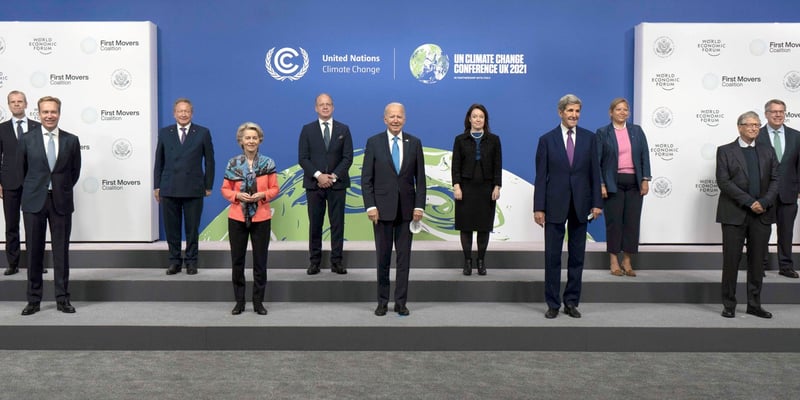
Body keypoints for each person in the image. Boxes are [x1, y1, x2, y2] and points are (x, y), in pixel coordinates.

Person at [534, 94, 602, 319]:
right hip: (554, 204)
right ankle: (552, 303)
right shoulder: (546, 140)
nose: (574, 115)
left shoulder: (590, 139)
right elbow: (541, 176)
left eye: (577, 112)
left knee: (577, 257)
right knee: (552, 256)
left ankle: (571, 302)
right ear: (560, 112)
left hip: (581, 205)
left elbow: (595, 174)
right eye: (570, 111)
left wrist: (596, 203)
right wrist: (538, 207)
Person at [17, 96, 81, 315]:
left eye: (53, 111)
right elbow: (22, 172)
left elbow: (74, 173)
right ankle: (33, 300)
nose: (49, 115)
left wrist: (58, 188)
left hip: (61, 202)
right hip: (34, 201)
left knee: (61, 252)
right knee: (34, 252)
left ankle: (63, 299)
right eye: (45, 112)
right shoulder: (26, 139)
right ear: (39, 114)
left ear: (59, 113)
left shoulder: (71, 140)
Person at [361, 102, 426, 316]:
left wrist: (419, 207)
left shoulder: (415, 143)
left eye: (399, 116)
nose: (395, 120)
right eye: (392, 116)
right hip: (381, 212)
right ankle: (382, 302)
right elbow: (366, 179)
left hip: (408, 212)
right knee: (383, 259)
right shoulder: (374, 143)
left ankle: (400, 302)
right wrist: (370, 205)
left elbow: (421, 180)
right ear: (385, 119)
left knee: (404, 260)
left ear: (404, 119)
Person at [716, 111, 777, 319]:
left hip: (762, 215)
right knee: (731, 261)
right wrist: (751, 202)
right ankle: (729, 304)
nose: (754, 128)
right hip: (734, 214)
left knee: (757, 262)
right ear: (739, 127)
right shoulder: (724, 151)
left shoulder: (768, 151)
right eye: (749, 125)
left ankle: (754, 304)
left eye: (757, 125)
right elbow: (724, 182)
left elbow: (776, 180)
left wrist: (765, 202)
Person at [220, 122, 279, 315]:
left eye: (254, 137)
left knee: (260, 261)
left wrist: (262, 195)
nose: (251, 141)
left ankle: (258, 302)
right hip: (237, 216)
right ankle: (239, 302)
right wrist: (237, 196)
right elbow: (225, 189)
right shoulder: (233, 163)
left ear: (259, 140)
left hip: (261, 217)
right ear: (241, 141)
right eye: (247, 138)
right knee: (237, 261)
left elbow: (274, 189)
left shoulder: (268, 163)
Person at [154, 98, 215, 276]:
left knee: (192, 228)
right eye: (180, 111)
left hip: (194, 187)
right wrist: (157, 186)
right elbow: (159, 161)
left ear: (191, 113)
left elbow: (210, 161)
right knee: (172, 228)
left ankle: (191, 262)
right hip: (169, 187)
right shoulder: (165, 133)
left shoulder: (203, 132)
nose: (183, 114)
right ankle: (174, 261)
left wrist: (208, 184)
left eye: (186, 111)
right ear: (174, 114)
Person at [298, 93, 353, 275]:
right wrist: (319, 176)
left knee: (338, 224)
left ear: (333, 107)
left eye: (328, 104)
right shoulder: (307, 129)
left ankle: (336, 262)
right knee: (315, 224)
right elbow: (303, 158)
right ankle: (315, 262)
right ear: (316, 108)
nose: (325, 107)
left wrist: (333, 176)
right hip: (314, 186)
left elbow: (347, 158)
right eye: (321, 104)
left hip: (337, 185)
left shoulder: (343, 129)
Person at [596, 98, 652, 277]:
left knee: (631, 222)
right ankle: (613, 260)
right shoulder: (603, 133)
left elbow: (645, 155)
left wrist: (645, 179)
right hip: (613, 183)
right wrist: (601, 183)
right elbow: (597, 161)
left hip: (634, 183)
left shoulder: (637, 131)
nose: (622, 112)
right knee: (614, 223)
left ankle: (627, 260)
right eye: (618, 109)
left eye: (625, 110)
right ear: (611, 112)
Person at [451, 103, 502, 276]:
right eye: (475, 116)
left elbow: (497, 164)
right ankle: (467, 262)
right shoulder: (460, 140)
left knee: (483, 227)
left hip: (486, 189)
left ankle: (481, 261)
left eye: (481, 116)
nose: (478, 119)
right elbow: (455, 165)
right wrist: (456, 186)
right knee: (466, 227)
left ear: (485, 120)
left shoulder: (494, 140)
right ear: (469, 119)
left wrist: (497, 186)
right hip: (465, 189)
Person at [756, 99, 800, 279]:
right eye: (774, 111)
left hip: (789, 192)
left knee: (786, 231)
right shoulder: (756, 135)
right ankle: (760, 265)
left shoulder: (796, 136)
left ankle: (786, 266)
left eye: (781, 111)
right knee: (761, 232)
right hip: (764, 193)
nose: (778, 115)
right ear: (766, 114)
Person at [0, 90, 41, 276]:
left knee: (35, 226)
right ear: (8, 105)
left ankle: (36, 264)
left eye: (20, 101)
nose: (16, 104)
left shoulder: (37, 127)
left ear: (26, 104)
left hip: (34, 184)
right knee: (11, 225)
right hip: (9, 184)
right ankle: (13, 263)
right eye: (13, 102)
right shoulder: (1, 129)